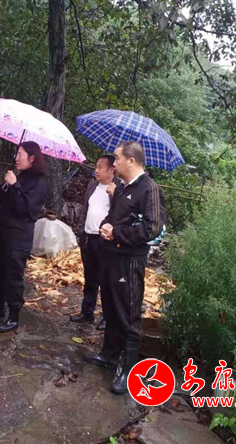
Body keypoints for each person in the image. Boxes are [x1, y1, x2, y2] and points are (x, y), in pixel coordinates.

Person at [85, 141, 166, 395]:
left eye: (117, 158)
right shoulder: (122, 188)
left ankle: (130, 371)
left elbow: (152, 228)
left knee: (128, 314)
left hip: (129, 261)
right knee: (110, 308)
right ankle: (109, 355)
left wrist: (117, 233)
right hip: (110, 257)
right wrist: (105, 226)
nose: (114, 162)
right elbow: (114, 217)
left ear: (131, 160)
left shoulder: (149, 188)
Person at [0, 141, 47, 333]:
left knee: (13, 276)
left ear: (31, 158)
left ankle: (14, 316)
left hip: (20, 236)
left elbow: (25, 209)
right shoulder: (19, 176)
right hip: (5, 232)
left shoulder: (39, 183)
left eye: (20, 154)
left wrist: (15, 186)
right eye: (16, 154)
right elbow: (3, 199)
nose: (16, 158)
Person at [70, 155, 121, 331]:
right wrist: (81, 231)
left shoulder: (118, 188)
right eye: (96, 166)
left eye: (100, 167)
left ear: (111, 170)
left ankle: (108, 316)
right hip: (88, 237)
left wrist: (115, 196)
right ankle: (87, 311)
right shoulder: (93, 185)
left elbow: (120, 214)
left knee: (106, 279)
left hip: (105, 240)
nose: (96, 170)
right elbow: (85, 209)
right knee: (90, 276)